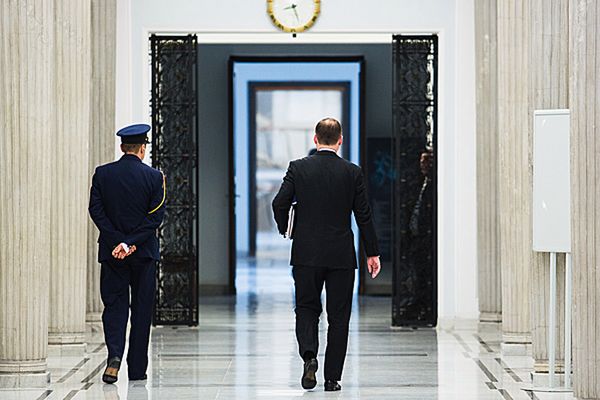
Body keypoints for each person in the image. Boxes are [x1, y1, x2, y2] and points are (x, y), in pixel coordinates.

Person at [272, 117, 381, 392]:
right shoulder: (352, 172)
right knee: (339, 316)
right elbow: (364, 215)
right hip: (341, 255)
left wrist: (286, 228)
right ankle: (332, 378)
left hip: (306, 253)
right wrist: (372, 253)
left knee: (307, 308)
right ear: (340, 140)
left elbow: (278, 202)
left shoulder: (298, 168)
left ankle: (309, 356)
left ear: (315, 139)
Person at [88, 124, 166, 384]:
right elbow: (155, 218)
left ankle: (114, 359)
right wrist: (131, 243)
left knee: (114, 306)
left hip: (112, 253)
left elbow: (96, 211)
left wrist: (118, 242)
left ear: (122, 147)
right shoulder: (155, 178)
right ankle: (136, 369)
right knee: (142, 311)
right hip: (142, 254)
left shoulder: (102, 174)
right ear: (142, 148)